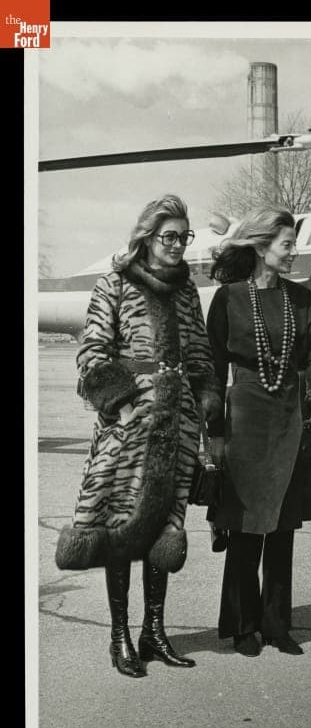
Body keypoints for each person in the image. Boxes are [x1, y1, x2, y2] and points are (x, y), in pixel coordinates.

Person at [55, 194, 222, 678]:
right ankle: (120, 636)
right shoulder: (114, 283)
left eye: (184, 237)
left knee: (163, 529)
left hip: (177, 426)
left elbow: (200, 357)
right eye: (169, 236)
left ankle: (154, 632)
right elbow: (92, 353)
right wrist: (122, 406)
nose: (178, 245)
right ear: (146, 237)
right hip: (128, 429)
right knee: (120, 527)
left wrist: (204, 404)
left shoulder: (187, 292)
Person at [206, 208, 311, 657]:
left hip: (289, 420)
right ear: (261, 247)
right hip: (245, 420)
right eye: (287, 244)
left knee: (282, 525)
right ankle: (243, 625)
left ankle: (277, 625)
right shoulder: (229, 298)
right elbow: (213, 366)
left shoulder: (302, 298)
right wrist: (214, 432)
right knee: (244, 526)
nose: (294, 251)